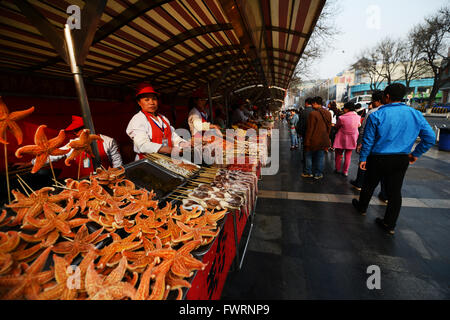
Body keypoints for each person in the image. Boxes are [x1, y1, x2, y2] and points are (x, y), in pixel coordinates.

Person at [352, 83, 436, 235]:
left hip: (377, 157)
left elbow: (369, 140)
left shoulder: (377, 114)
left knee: (369, 184)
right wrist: (415, 154)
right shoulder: (415, 114)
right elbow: (430, 138)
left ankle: (362, 207)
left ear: (387, 96)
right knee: (394, 192)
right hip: (400, 159)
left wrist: (363, 158)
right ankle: (389, 224)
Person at [29, 115, 123, 178]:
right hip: (82, 182)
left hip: (105, 179)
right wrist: (32, 162)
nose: (77, 133)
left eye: (79, 129)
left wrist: (115, 178)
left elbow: (117, 163)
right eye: (75, 131)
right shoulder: (73, 144)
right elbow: (54, 155)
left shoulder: (108, 141)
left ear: (88, 127)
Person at [126, 83, 189, 160]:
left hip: (167, 158)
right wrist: (170, 150)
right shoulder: (138, 119)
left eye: (154, 99)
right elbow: (142, 145)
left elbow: (173, 136)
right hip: (149, 161)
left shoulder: (163, 118)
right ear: (139, 102)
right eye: (147, 100)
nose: (152, 102)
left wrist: (184, 144)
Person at [350, 90, 387, 202]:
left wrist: (360, 143)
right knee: (387, 176)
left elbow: (364, 130)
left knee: (369, 175)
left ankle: (362, 202)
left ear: (378, 101)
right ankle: (385, 195)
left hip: (373, 149)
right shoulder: (406, 112)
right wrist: (415, 153)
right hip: (395, 152)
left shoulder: (372, 113)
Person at [302, 96, 332, 180]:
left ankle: (308, 172)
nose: (311, 105)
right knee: (320, 156)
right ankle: (318, 174)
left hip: (313, 139)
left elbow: (310, 129)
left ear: (315, 103)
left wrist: (307, 141)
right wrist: (326, 136)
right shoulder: (328, 113)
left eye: (312, 104)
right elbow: (329, 127)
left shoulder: (313, 114)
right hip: (323, 139)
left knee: (308, 155)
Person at [332, 102, 360, 177]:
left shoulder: (342, 118)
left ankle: (337, 169)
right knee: (348, 155)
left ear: (347, 109)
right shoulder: (358, 117)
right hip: (352, 139)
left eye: (344, 108)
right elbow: (358, 126)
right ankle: (345, 171)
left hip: (341, 138)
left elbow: (337, 126)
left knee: (338, 154)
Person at [297, 98, 314, 172]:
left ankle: (306, 165)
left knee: (306, 148)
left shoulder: (303, 112)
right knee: (313, 148)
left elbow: (300, 124)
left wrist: (299, 133)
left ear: (306, 103)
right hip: (314, 133)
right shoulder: (315, 111)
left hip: (305, 133)